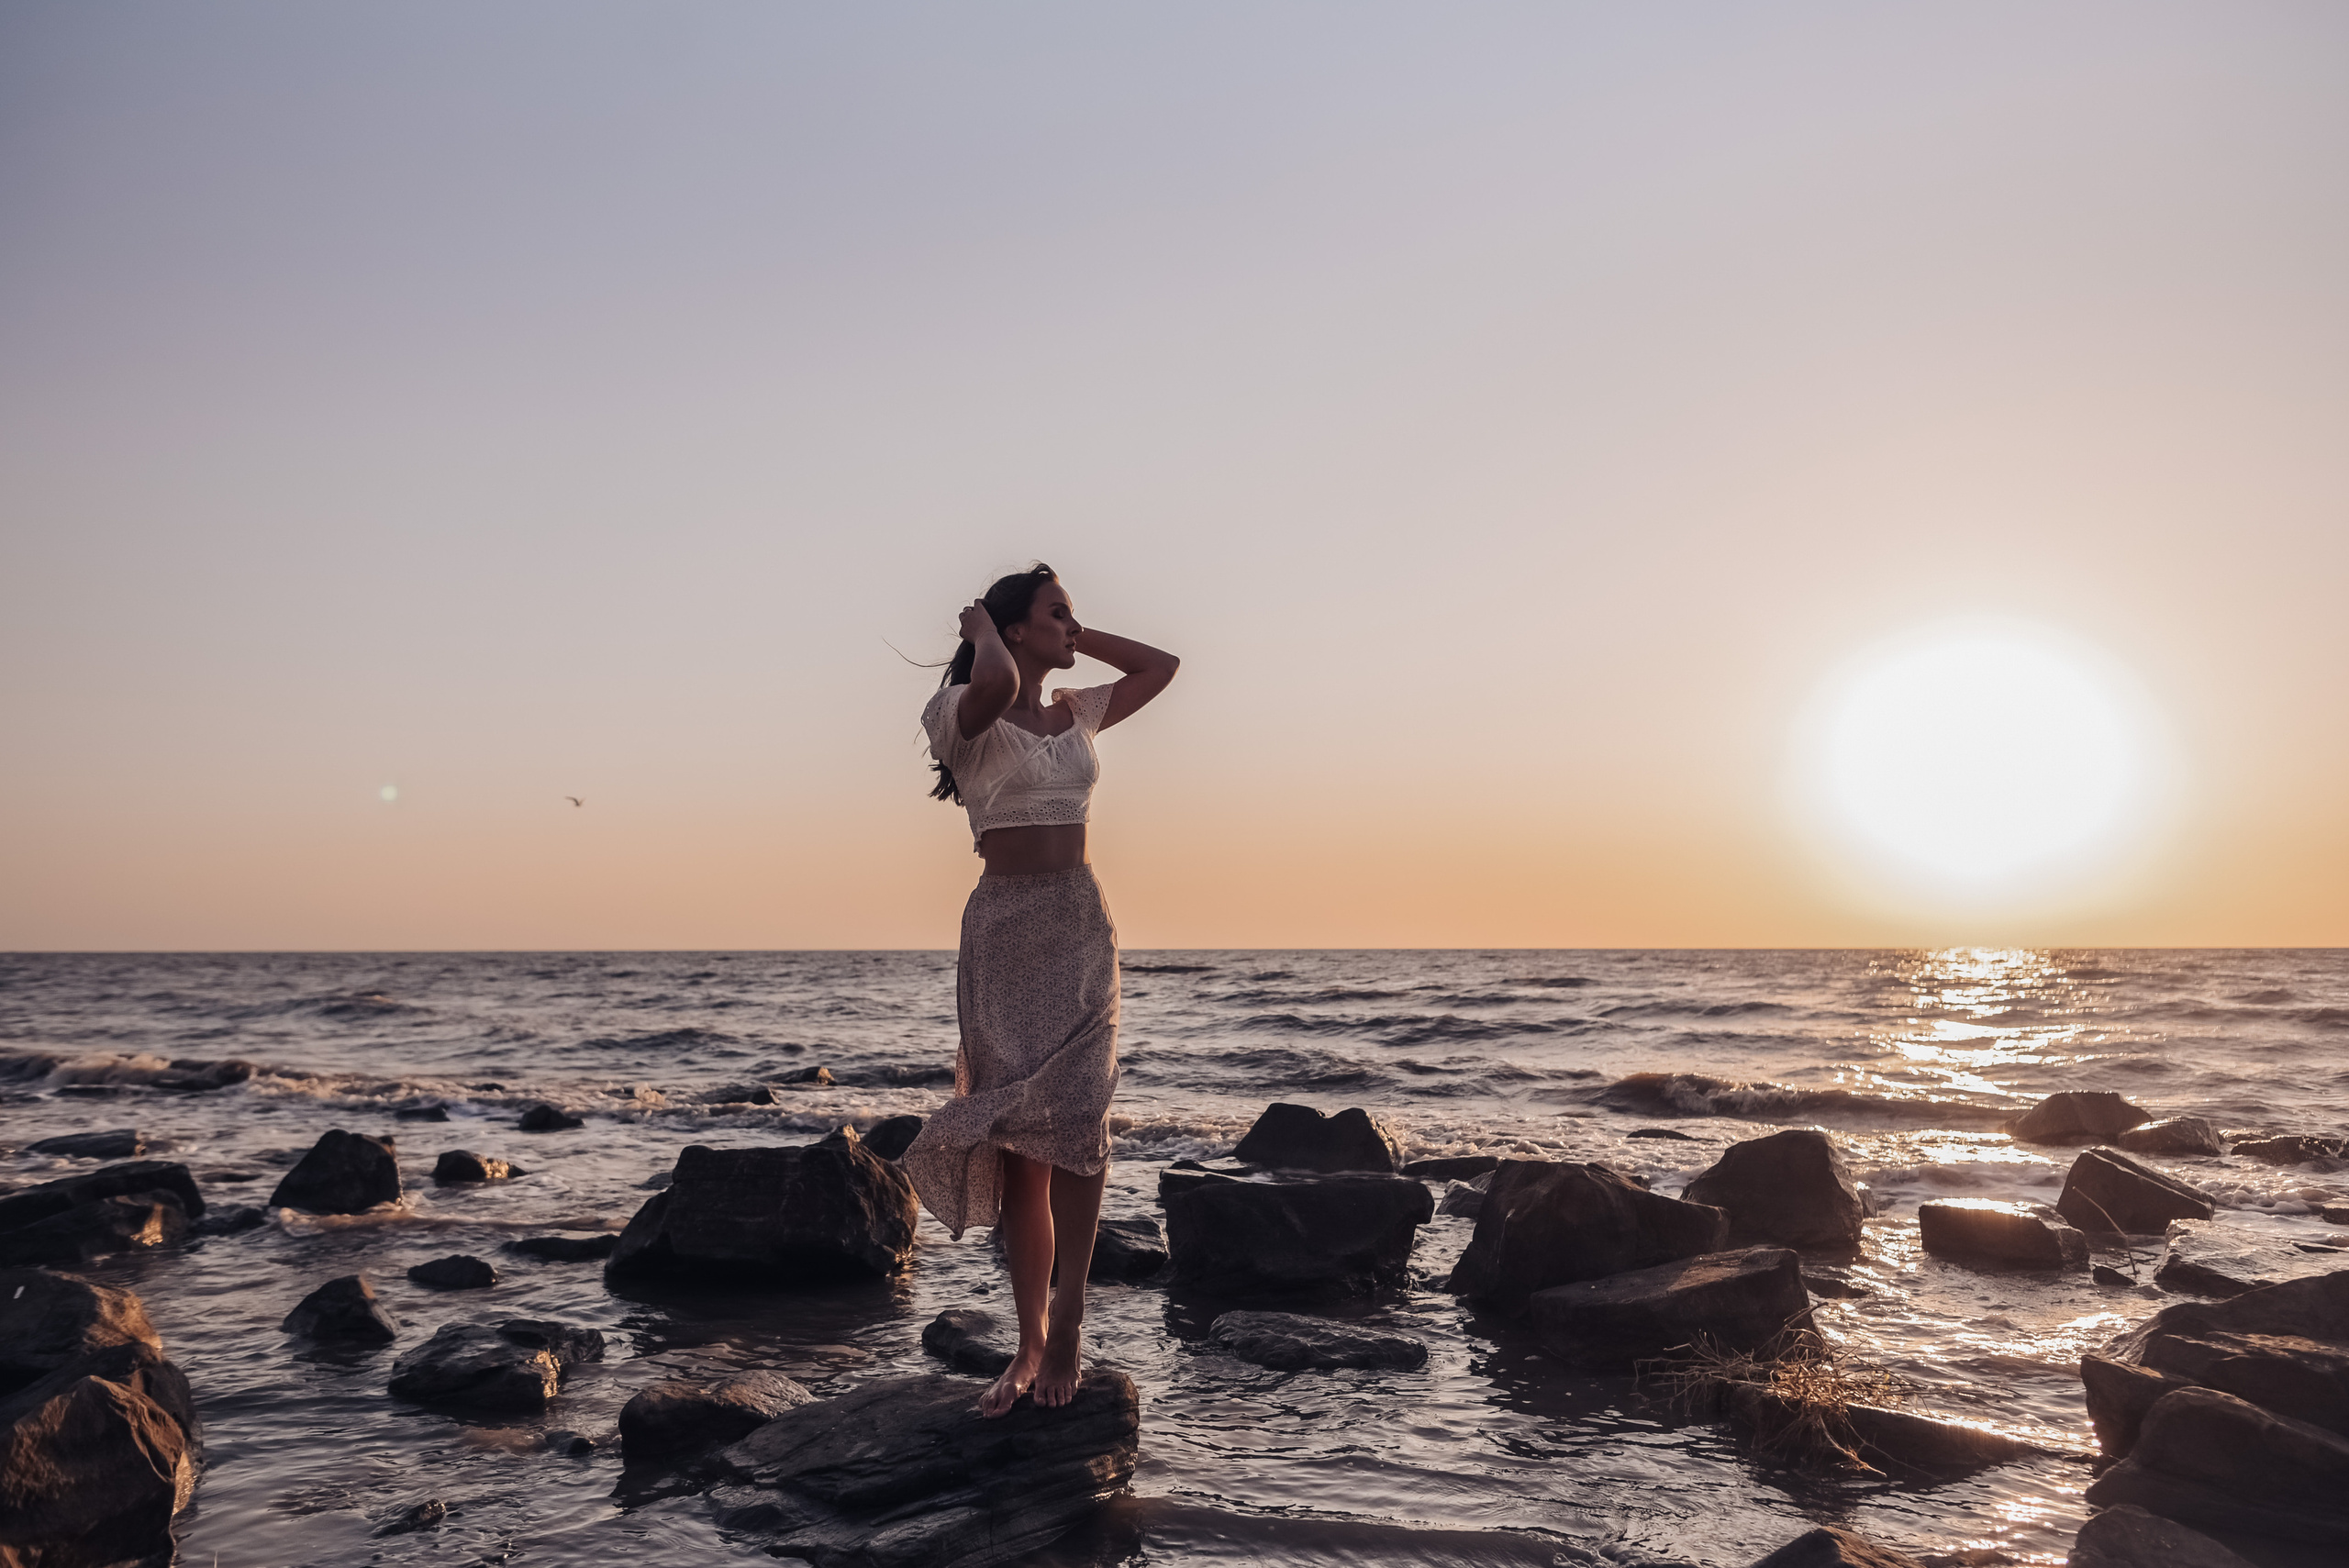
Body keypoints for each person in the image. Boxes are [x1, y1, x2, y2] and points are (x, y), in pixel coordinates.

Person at [898, 562, 1178, 1417]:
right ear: (1011, 629)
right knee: (1023, 1148)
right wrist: (983, 628)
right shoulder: (960, 716)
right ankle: (1026, 1345)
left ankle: (1070, 1324)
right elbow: (992, 680)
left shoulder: (1080, 711)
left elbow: (1160, 666)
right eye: (1055, 613)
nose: (1070, 624)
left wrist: (1072, 632)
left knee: (1082, 1127)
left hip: (1081, 927)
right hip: (1005, 934)